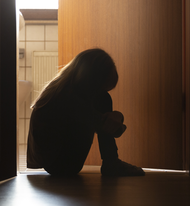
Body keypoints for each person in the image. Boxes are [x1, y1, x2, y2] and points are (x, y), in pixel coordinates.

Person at [26, 48, 145, 177]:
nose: (99, 92)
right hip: (62, 166)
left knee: (103, 100)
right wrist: (117, 117)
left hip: (54, 162)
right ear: (92, 80)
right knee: (104, 99)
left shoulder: (60, 89)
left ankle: (111, 163)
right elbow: (113, 129)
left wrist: (114, 118)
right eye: (100, 87)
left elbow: (103, 123)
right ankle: (111, 162)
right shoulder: (69, 97)